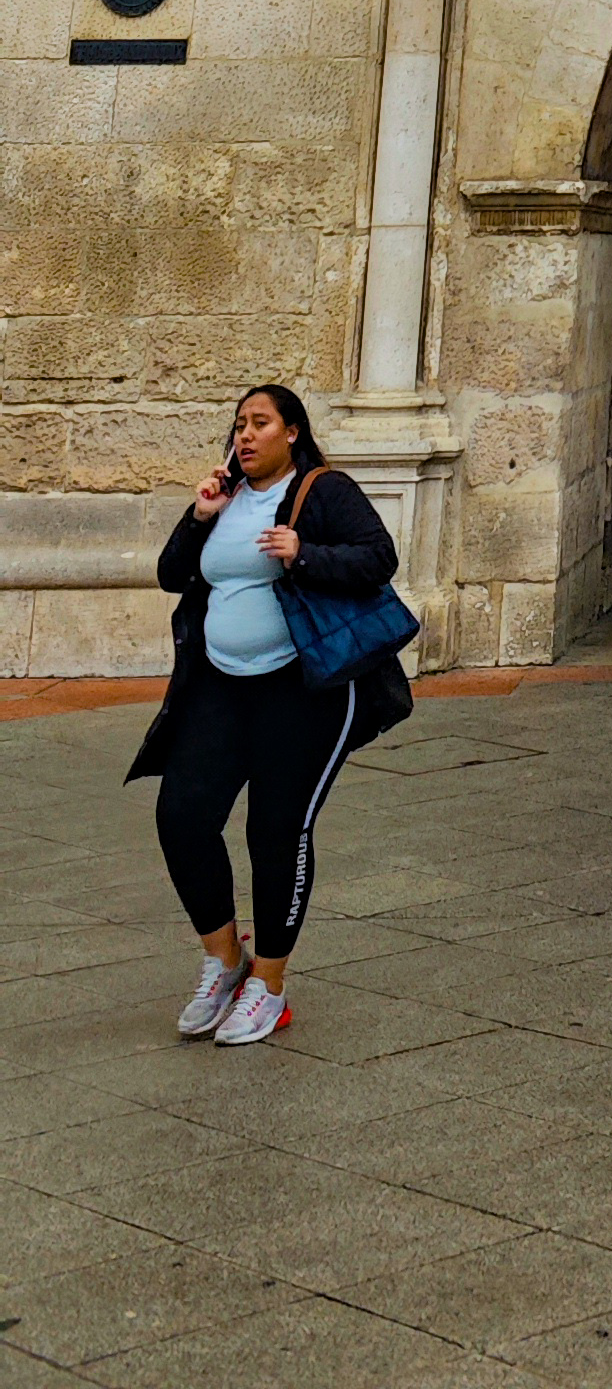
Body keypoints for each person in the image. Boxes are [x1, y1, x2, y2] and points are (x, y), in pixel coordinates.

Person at [128, 381, 408, 1047]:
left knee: (276, 832)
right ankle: (227, 960)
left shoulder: (323, 490)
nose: (246, 435)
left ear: (292, 432)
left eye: (260, 423)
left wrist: (303, 552)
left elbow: (380, 558)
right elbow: (171, 574)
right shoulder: (223, 500)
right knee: (181, 816)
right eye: (239, 425)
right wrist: (200, 516)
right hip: (219, 687)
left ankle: (270, 987)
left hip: (303, 690)